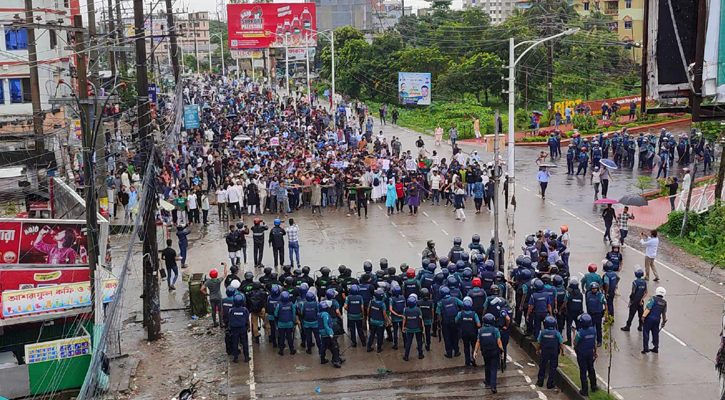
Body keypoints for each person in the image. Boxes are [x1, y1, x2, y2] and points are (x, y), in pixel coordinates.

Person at [473, 313, 504, 394]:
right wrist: (502, 352)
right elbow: (499, 342)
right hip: (494, 351)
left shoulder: (480, 331)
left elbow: (478, 341)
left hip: (485, 352)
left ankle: (487, 380)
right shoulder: (495, 330)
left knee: (487, 366)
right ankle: (493, 386)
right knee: (494, 368)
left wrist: (475, 352)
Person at [536, 316, 564, 389]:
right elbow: (561, 343)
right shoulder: (557, 333)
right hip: (554, 352)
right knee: (553, 368)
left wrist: (537, 350)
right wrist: (562, 352)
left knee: (542, 366)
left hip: (545, 352)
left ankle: (540, 381)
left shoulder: (542, 332)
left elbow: (538, 342)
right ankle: (550, 383)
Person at [573, 314, 598, 396]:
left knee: (583, 371)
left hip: (582, 354)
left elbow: (575, 343)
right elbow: (595, 342)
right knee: (591, 369)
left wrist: (573, 334)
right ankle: (594, 386)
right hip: (590, 352)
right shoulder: (593, 330)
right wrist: (595, 352)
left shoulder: (580, 333)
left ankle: (585, 390)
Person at [437, 286, 463, 358]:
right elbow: (463, 304)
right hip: (455, 322)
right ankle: (457, 351)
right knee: (455, 337)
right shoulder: (455, 299)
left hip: (446, 323)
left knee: (447, 338)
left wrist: (439, 323)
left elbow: (438, 314)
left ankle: (449, 353)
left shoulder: (440, 303)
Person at [641, 286, 667, 353]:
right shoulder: (664, 302)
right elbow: (664, 313)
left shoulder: (652, 299)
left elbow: (648, 308)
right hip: (657, 319)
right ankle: (656, 347)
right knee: (655, 333)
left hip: (649, 318)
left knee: (646, 332)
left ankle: (646, 348)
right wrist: (663, 322)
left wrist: (643, 316)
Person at [319, 299, 344, 367]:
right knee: (334, 346)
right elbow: (326, 325)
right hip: (327, 333)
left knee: (324, 346)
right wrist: (330, 333)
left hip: (322, 332)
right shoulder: (325, 314)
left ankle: (324, 358)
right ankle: (336, 360)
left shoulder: (319, 314)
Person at [456, 297, 481, 367]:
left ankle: (467, 362)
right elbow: (478, 324)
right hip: (473, 333)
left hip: (464, 334)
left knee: (466, 347)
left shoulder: (460, 314)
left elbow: (456, 320)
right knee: (473, 346)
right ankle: (473, 358)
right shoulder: (474, 314)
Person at [201, 263, 228, 328]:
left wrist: (207, 294)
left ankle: (215, 323)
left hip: (212, 297)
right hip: (218, 297)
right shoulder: (218, 280)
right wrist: (225, 267)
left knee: (213, 311)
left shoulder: (208, 282)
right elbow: (225, 274)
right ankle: (221, 323)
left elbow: (201, 289)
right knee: (220, 310)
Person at [229, 294, 251, 363]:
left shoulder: (231, 310)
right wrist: (248, 326)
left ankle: (235, 358)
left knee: (235, 343)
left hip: (234, 329)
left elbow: (229, 319)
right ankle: (246, 357)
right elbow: (247, 319)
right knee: (244, 342)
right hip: (242, 328)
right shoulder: (244, 310)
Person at [402, 295, 425, 361]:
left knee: (408, 342)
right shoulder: (418, 310)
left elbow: (404, 319)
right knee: (419, 341)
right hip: (418, 328)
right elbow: (421, 319)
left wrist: (403, 327)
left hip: (409, 328)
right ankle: (420, 355)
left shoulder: (405, 310)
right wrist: (423, 328)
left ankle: (406, 356)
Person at [274, 291, 296, 356]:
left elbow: (276, 314)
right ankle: (291, 350)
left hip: (281, 324)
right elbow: (293, 314)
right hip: (289, 324)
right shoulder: (291, 304)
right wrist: (293, 322)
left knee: (281, 337)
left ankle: (281, 351)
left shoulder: (279, 305)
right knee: (289, 337)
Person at [367, 289, 389, 353]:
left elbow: (368, 310)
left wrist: (369, 317)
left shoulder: (371, 302)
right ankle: (379, 348)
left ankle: (369, 347)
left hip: (372, 321)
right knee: (380, 335)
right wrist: (386, 321)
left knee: (372, 334)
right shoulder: (382, 304)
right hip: (380, 323)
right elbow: (384, 314)